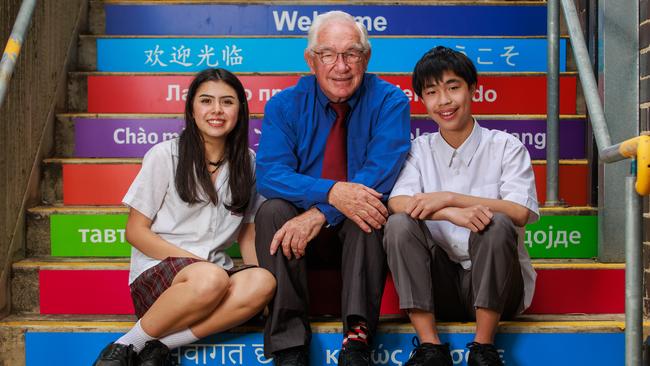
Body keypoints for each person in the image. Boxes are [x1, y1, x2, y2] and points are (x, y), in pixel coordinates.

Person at [254, 10, 411, 366]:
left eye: (351, 53)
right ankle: (288, 346)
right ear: (312, 61)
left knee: (368, 208)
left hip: (358, 238)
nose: (341, 66)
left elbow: (379, 173)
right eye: (328, 54)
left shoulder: (390, 101)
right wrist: (331, 193)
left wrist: (324, 210)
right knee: (272, 210)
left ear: (366, 58)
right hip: (299, 236)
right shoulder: (284, 104)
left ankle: (356, 340)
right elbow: (270, 174)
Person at [92, 68, 276, 366]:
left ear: (240, 110)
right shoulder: (165, 155)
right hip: (161, 277)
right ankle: (122, 347)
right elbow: (136, 231)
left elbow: (248, 235)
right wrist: (196, 263)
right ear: (192, 109)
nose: (216, 110)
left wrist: (260, 294)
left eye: (227, 102)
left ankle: (159, 346)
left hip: (213, 280)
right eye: (206, 101)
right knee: (211, 277)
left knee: (264, 281)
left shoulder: (249, 163)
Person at [383, 46, 539, 366]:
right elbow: (398, 202)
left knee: (496, 223)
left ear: (472, 89)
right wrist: (449, 212)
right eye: (432, 92)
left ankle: (483, 347)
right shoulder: (418, 150)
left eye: (453, 87)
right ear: (423, 101)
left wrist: (452, 197)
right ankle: (430, 348)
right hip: (439, 286)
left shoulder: (506, 147)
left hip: (498, 287)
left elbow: (520, 211)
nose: (444, 101)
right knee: (398, 224)